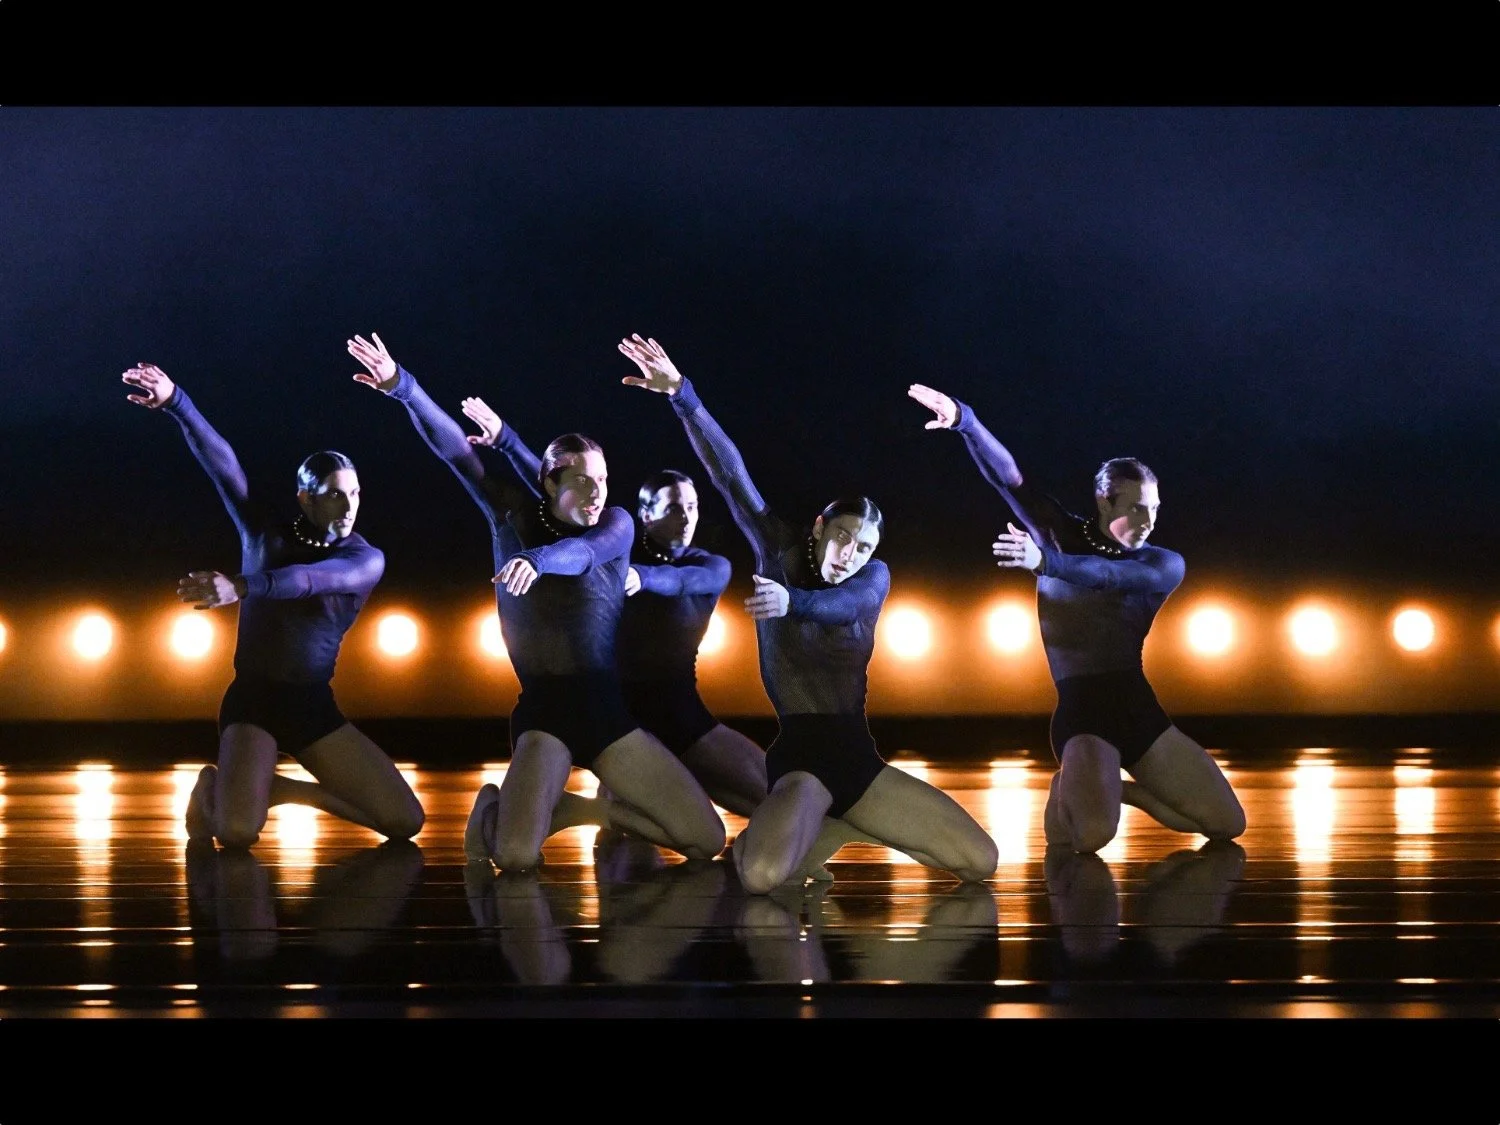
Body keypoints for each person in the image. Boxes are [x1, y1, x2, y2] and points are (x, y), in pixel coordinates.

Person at [619, 334, 998, 895]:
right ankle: (811, 826)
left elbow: (839, 604)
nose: (851, 556)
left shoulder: (873, 579)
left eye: (863, 547)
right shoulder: (779, 552)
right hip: (802, 760)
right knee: (761, 874)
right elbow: (731, 476)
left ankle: (846, 828)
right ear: (820, 528)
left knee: (981, 861)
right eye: (843, 538)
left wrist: (793, 603)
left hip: (858, 761)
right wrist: (682, 395)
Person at [345, 333, 725, 871]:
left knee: (705, 840)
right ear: (548, 484)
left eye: (602, 480)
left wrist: (539, 561)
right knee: (518, 857)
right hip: (546, 711)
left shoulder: (615, 526)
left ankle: (571, 810)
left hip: (607, 713)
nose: (596, 494)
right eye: (581, 483)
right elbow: (456, 451)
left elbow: (580, 551)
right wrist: (403, 388)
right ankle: (503, 810)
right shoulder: (510, 515)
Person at [908, 382, 1246, 854]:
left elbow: (1106, 575)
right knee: (1092, 836)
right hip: (1084, 715)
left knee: (1229, 823)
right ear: (1105, 501)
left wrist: (1043, 563)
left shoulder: (1162, 564)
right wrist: (966, 421)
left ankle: (1120, 790)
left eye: (1154, 509)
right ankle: (1073, 784)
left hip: (1138, 710)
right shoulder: (1057, 534)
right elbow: (1010, 479)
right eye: (1135, 508)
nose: (1148, 521)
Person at [121, 363, 424, 849]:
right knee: (238, 832)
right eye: (333, 496)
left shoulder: (363, 559)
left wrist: (241, 586)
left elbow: (308, 580)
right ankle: (214, 792)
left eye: (355, 494)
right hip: (254, 702)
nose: (348, 507)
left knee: (405, 822)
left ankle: (281, 789)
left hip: (312, 706)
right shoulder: (265, 532)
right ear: (305, 499)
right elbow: (222, 464)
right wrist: (177, 402)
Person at [460, 396, 768, 817]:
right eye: (673, 506)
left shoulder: (709, 564)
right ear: (646, 513)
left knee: (767, 799)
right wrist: (508, 442)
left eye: (693, 506)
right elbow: (562, 491)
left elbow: (680, 581)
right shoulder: (612, 540)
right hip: (620, 716)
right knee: (627, 841)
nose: (686, 516)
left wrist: (644, 578)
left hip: (680, 714)